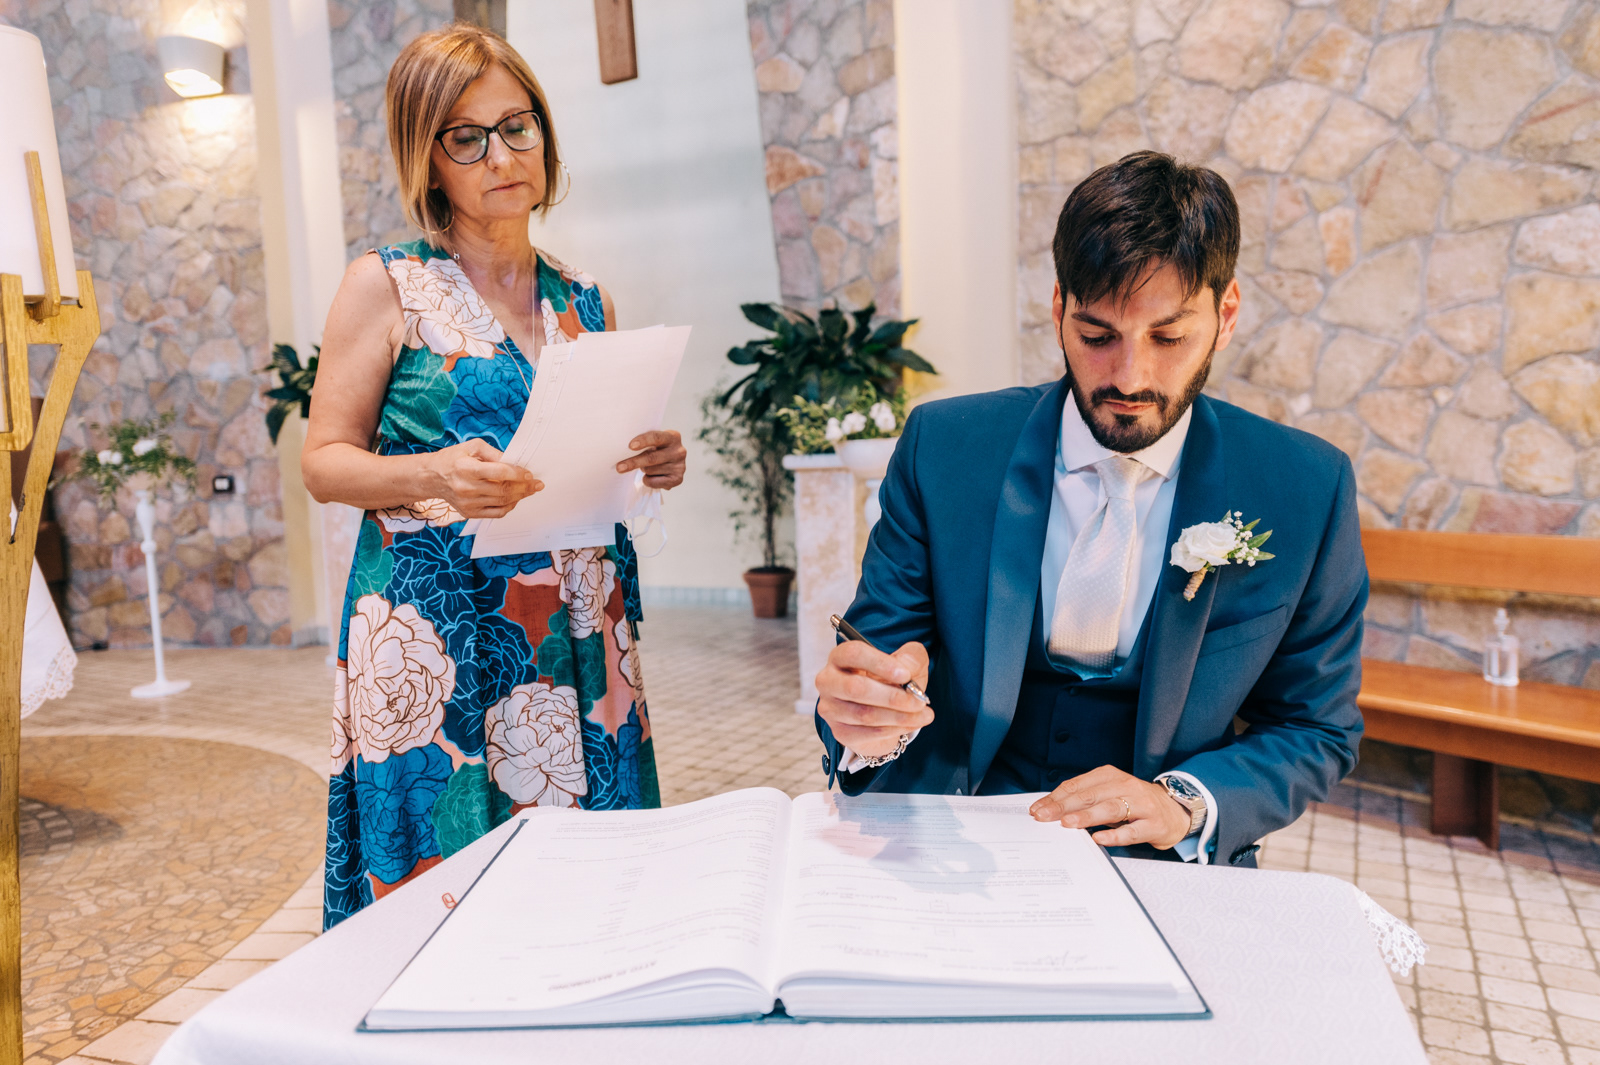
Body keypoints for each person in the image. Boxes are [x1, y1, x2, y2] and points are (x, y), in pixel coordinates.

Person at [814, 151, 1365, 869]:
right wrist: (869, 716)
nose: (1130, 377)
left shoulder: (1305, 487)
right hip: (955, 834)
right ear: (1058, 310)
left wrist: (1185, 803)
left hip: (1163, 857)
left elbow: (1316, 726)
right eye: (1098, 336)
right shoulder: (945, 448)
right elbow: (877, 657)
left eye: (1168, 337)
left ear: (1225, 315)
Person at [302, 24, 687, 928]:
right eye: (467, 138)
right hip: (437, 629)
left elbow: (591, 454)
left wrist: (652, 463)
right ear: (428, 160)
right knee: (449, 886)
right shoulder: (388, 285)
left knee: (585, 884)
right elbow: (323, 462)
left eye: (518, 127)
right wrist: (434, 471)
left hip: (574, 620)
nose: (502, 157)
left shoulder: (583, 295)